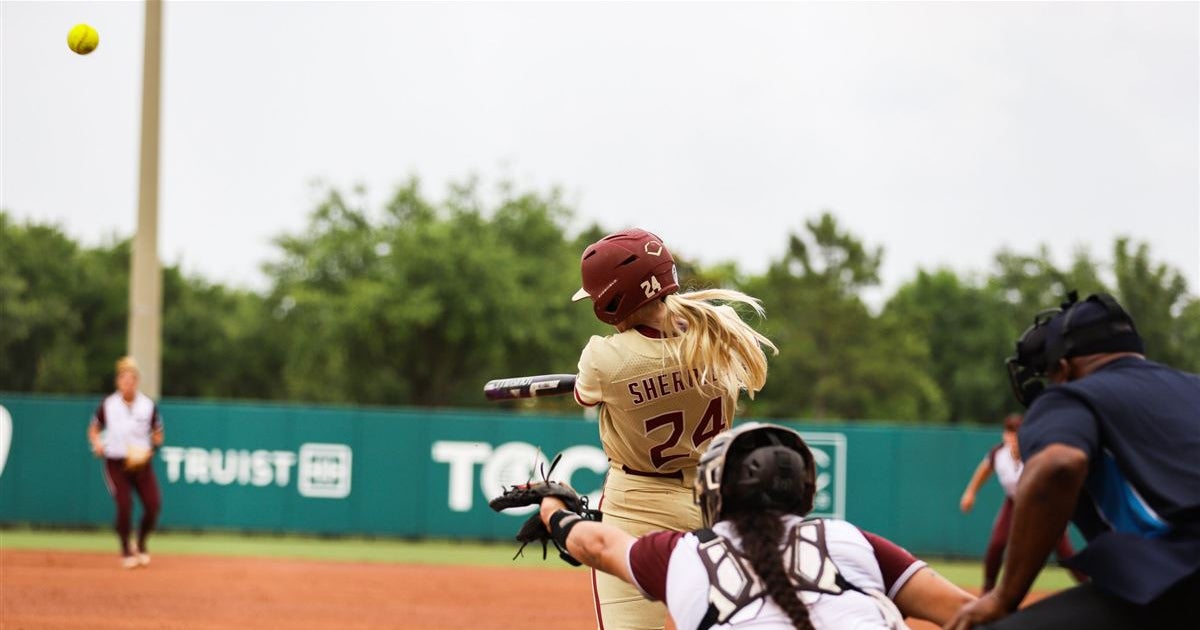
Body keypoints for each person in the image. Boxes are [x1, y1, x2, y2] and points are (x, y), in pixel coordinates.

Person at [526, 422, 976, 629]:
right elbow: (964, 612)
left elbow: (599, 544)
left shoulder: (687, 553)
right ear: (803, 488)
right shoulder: (847, 539)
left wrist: (553, 510)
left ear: (715, 491)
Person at [947, 292, 1200, 630]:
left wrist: (1004, 597)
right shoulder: (1192, 387)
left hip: (1178, 576)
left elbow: (1058, 464)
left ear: (1064, 367)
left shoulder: (1072, 395)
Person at [570, 228, 778, 629]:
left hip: (637, 505)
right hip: (716, 501)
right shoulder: (720, 331)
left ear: (614, 300)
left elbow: (585, 395)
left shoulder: (604, 357)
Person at [958, 413, 1084, 592]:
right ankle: (987, 591)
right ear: (1004, 435)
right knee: (998, 543)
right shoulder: (998, 453)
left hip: (1043, 505)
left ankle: (1087, 584)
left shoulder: (1036, 452)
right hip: (1014, 503)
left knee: (1063, 550)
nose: (1013, 438)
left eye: (1017, 433)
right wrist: (970, 492)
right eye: (1009, 432)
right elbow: (984, 469)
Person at [87, 356, 164, 569]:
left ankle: (140, 542)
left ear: (137, 381)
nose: (127, 383)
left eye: (131, 379)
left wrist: (151, 449)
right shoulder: (108, 405)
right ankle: (125, 549)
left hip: (140, 463)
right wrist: (97, 443)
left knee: (153, 505)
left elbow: (158, 434)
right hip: (116, 462)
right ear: (118, 381)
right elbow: (94, 429)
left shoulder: (147, 406)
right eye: (123, 378)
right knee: (124, 504)